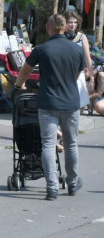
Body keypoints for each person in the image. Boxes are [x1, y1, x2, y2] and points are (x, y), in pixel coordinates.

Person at [15, 12, 84, 199]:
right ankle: (72, 182)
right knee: (71, 144)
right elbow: (77, 74)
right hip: (70, 102)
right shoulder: (77, 50)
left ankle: (52, 187)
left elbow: (25, 70)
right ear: (64, 27)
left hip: (48, 102)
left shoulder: (42, 49)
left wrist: (19, 85)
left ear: (49, 28)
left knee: (48, 144)